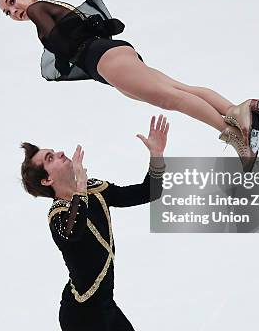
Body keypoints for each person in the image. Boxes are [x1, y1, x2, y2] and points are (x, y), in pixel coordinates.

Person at [0, 0, 259, 172]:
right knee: (181, 90)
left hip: (105, 60)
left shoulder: (37, 11)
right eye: (7, 12)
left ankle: (238, 139)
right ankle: (237, 110)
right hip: (111, 57)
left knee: (174, 99)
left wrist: (60, 52)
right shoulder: (47, 8)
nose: (14, 12)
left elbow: (63, 44)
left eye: (12, 2)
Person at [20, 115, 168, 330]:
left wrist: (156, 155)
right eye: (50, 158)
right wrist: (80, 185)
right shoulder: (58, 216)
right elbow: (74, 232)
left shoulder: (95, 190)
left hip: (106, 308)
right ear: (47, 180)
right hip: (81, 318)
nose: (60, 153)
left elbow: (148, 192)